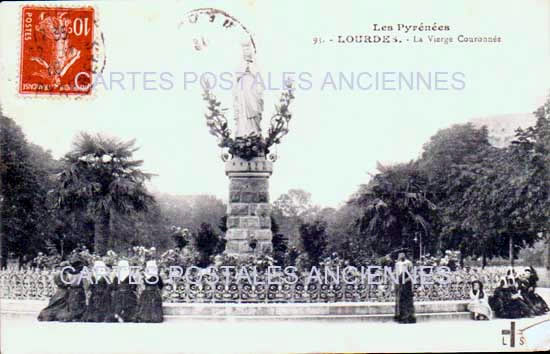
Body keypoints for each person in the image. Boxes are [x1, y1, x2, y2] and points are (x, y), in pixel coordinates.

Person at [394, 252, 416, 324]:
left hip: (407, 284)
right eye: (400, 255)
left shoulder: (409, 263)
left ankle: (409, 317)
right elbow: (395, 273)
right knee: (400, 300)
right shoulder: (397, 264)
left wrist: (406, 280)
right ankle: (401, 317)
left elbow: (412, 274)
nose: (401, 256)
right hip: (399, 283)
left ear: (404, 255)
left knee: (407, 300)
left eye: (402, 255)